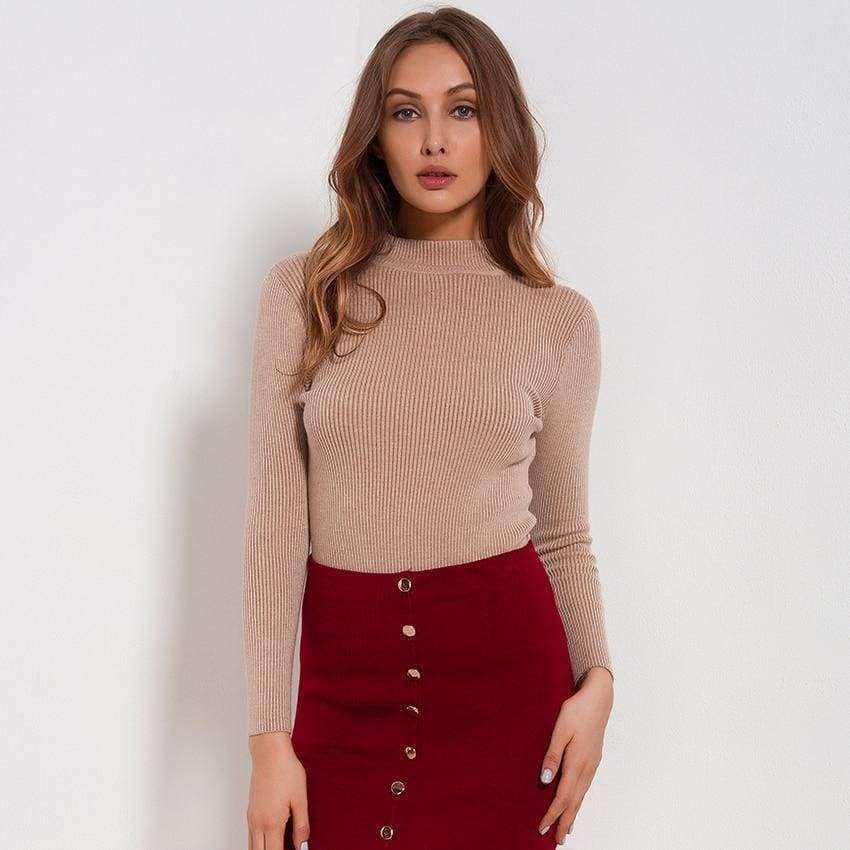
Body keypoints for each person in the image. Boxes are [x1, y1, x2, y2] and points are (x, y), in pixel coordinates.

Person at [242, 7, 614, 849]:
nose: (434, 140)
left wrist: (598, 682)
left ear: (500, 128)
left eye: (464, 109)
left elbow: (563, 534)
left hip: (507, 701)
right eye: (406, 111)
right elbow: (275, 529)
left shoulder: (558, 321)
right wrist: (269, 740)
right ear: (375, 138)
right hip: (342, 697)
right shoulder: (304, 294)